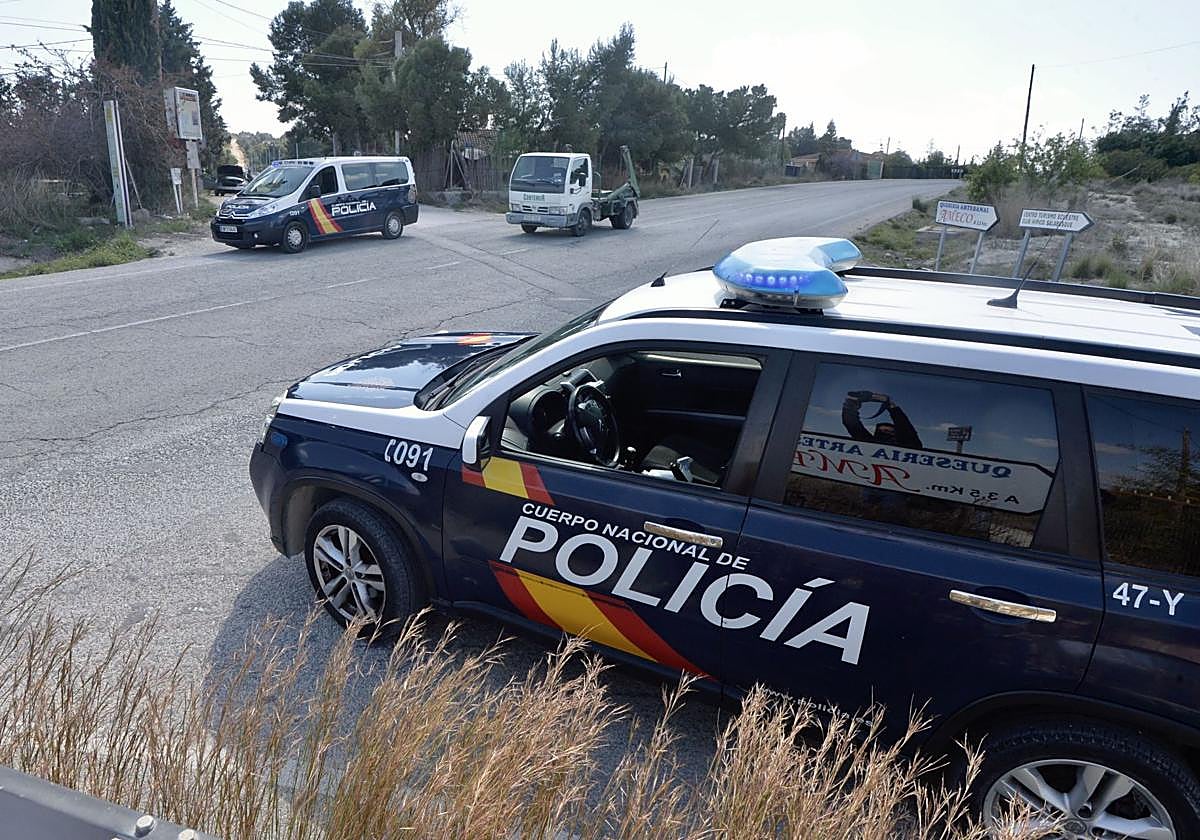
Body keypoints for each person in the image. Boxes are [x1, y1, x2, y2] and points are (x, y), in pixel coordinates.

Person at [841, 390, 923, 449]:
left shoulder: (911, 447)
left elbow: (905, 427)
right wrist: (851, 404)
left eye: (889, 432)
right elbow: (852, 424)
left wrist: (891, 406)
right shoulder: (869, 444)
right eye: (882, 432)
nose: (886, 434)